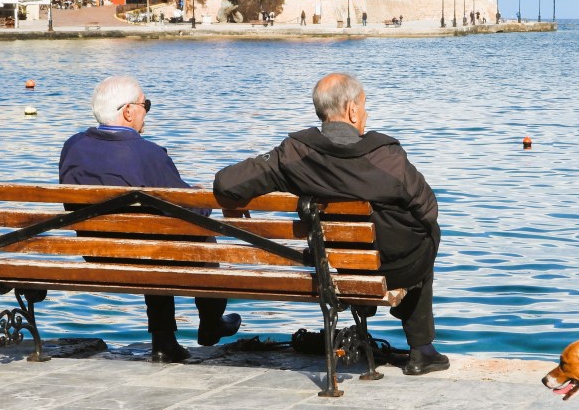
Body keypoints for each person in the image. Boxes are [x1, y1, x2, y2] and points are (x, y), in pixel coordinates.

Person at [213, 73, 448, 376]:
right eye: (364, 107)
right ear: (351, 110)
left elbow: (226, 183)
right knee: (429, 234)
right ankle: (422, 350)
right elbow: (428, 210)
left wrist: (233, 203)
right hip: (396, 266)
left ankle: (377, 313)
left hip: (337, 266)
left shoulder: (294, 153)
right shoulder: (387, 156)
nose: (366, 113)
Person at [59, 75, 241, 362]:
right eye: (146, 105)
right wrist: (201, 197)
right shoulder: (148, 153)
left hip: (96, 253)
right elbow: (193, 210)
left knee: (153, 239)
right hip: (147, 254)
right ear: (129, 111)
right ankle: (209, 322)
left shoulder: (73, 147)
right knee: (195, 236)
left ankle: (166, 340)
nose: (147, 112)